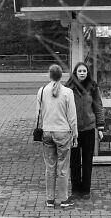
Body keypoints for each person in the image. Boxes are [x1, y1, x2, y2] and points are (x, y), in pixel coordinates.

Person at [36, 64, 78, 208]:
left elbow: (38, 113)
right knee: (63, 166)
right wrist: (75, 133)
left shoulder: (41, 91)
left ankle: (50, 199)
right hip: (63, 132)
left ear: (49, 75)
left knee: (50, 166)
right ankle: (63, 198)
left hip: (47, 132)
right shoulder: (68, 92)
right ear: (61, 76)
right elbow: (72, 116)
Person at [65, 62, 105, 200]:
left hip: (88, 129)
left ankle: (86, 190)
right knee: (74, 161)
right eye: (79, 71)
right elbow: (63, 108)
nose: (82, 73)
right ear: (75, 73)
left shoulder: (93, 87)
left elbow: (98, 106)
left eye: (84, 71)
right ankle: (75, 190)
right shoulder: (68, 88)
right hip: (73, 131)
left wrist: (100, 127)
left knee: (87, 160)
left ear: (87, 73)